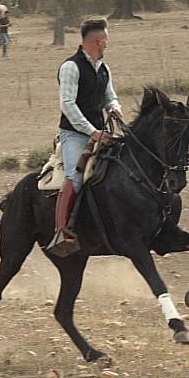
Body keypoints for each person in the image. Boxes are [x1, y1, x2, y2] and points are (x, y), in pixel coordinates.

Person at [48, 18, 123, 255]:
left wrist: (114, 107)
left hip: (101, 132)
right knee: (76, 176)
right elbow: (67, 105)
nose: (107, 45)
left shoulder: (104, 69)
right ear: (99, 40)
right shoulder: (71, 67)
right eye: (106, 40)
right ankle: (61, 232)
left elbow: (110, 96)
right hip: (74, 134)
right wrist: (93, 132)